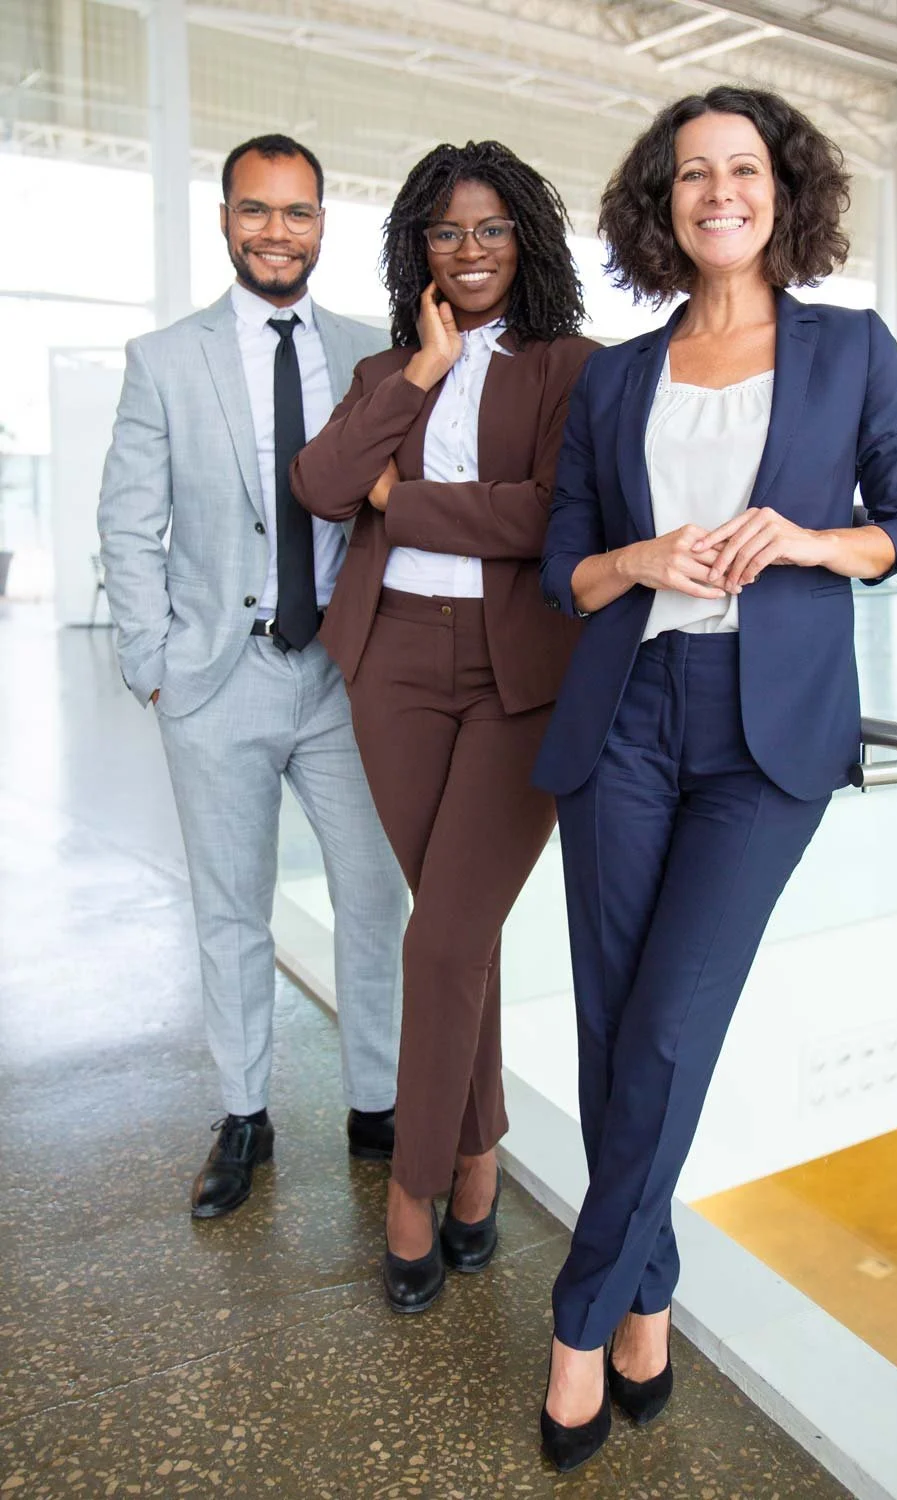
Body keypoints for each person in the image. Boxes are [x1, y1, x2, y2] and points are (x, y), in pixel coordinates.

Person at [532, 86, 897, 1471]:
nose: (721, 190)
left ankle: (580, 1318)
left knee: (663, 1030)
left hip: (765, 737)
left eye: (745, 168)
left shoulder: (847, 350)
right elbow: (565, 567)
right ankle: (649, 1293)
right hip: (627, 712)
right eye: (692, 172)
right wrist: (643, 563)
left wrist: (812, 541)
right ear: (662, 201)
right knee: (609, 1025)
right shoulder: (616, 377)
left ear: (786, 191)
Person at [291, 140, 599, 1312]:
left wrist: (405, 502)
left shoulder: (574, 368)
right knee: (456, 936)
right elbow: (322, 485)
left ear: (526, 238)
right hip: (395, 666)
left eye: (489, 230)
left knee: (442, 938)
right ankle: (479, 1158)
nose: (467, 253)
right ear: (416, 247)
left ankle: (417, 1189)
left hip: (522, 678)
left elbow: (552, 514)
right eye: (444, 233)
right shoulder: (388, 368)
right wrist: (420, 374)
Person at [98, 134, 408, 1221]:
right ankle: (245, 1116)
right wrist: (153, 666)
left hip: (343, 678)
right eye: (256, 210)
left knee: (376, 895)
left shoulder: (376, 355)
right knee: (233, 913)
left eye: (298, 212)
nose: (277, 231)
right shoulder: (164, 359)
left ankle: (378, 1105)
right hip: (214, 682)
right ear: (225, 218)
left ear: (325, 223)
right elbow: (128, 524)